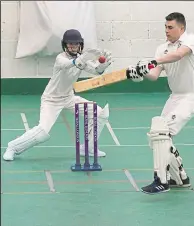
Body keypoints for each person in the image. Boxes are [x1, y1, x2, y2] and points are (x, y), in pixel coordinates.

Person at [3, 29, 112, 161]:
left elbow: (95, 71)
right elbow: (69, 65)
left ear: (80, 45)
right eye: (69, 44)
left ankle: (87, 148)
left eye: (75, 44)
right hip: (51, 100)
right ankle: (13, 147)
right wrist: (83, 58)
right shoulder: (60, 58)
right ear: (65, 45)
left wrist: (102, 66)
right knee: (42, 132)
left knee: (100, 114)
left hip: (69, 98)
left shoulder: (81, 59)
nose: (72, 46)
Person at [128, 12, 194, 194]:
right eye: (165, 27)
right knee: (157, 136)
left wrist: (151, 62)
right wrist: (141, 72)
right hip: (175, 96)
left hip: (192, 96)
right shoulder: (162, 48)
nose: (167, 31)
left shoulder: (190, 40)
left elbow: (178, 55)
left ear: (182, 28)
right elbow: (154, 75)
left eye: (170, 27)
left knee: (163, 134)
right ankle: (180, 178)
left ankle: (161, 181)